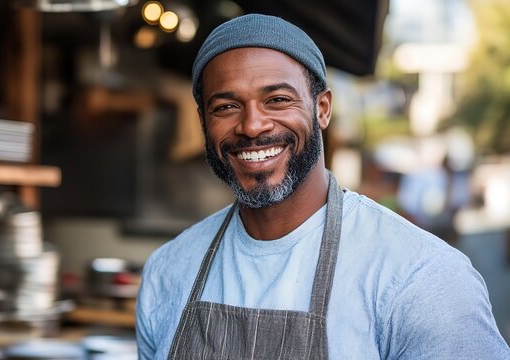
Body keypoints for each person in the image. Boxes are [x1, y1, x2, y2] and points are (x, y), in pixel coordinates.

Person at [135, 14, 509, 359]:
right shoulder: (168, 272)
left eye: (277, 100)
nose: (251, 126)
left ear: (322, 109)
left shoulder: (420, 277)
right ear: (203, 121)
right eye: (226, 107)